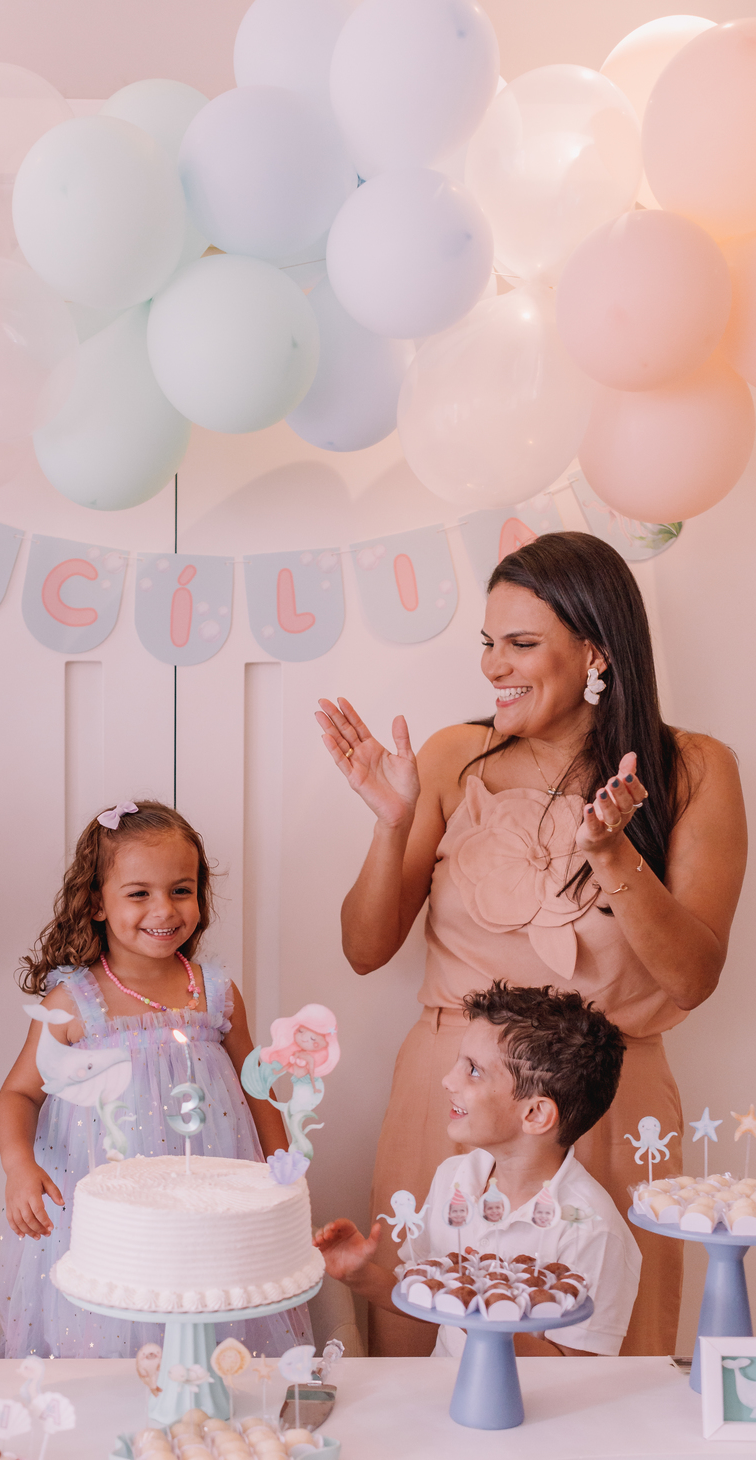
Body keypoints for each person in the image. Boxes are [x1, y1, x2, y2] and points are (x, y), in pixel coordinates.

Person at [316, 531, 746, 1356]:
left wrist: (614, 855)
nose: (492, 666)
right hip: (451, 1100)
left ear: (597, 652)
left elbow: (692, 977)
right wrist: (392, 823)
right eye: (488, 643)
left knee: (597, 1369)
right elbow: (365, 949)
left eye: (520, 643)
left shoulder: (694, 769)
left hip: (605, 1105)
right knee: (424, 1349)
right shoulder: (451, 758)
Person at [0, 798, 311, 1358]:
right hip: (104, 1213)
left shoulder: (215, 992)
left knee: (210, 1314)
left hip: (211, 1198)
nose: (164, 909)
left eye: (180, 890)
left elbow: (255, 1082)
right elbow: (19, 1092)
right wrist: (19, 1167)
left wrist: (283, 1167)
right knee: (115, 1322)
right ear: (96, 904)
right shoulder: (74, 1002)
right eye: (139, 893)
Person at [314, 982, 641, 1358]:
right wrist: (358, 1273)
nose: (448, 1080)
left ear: (534, 1114)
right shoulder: (454, 1178)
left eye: (473, 1070)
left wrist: (484, 1320)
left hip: (541, 1413)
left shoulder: (593, 1231)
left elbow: (580, 1366)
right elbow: (428, 1297)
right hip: (448, 1398)